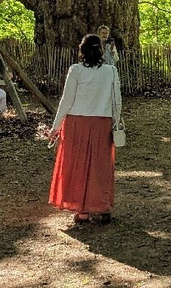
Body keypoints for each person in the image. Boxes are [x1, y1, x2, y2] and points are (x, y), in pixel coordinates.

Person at [48, 34, 122, 224]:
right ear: (100, 51)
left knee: (77, 165)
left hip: (76, 123)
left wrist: (55, 127)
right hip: (101, 122)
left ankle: (82, 211)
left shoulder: (76, 70)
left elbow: (66, 100)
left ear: (81, 51)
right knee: (101, 165)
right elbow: (117, 101)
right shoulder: (111, 71)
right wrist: (116, 122)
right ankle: (102, 207)